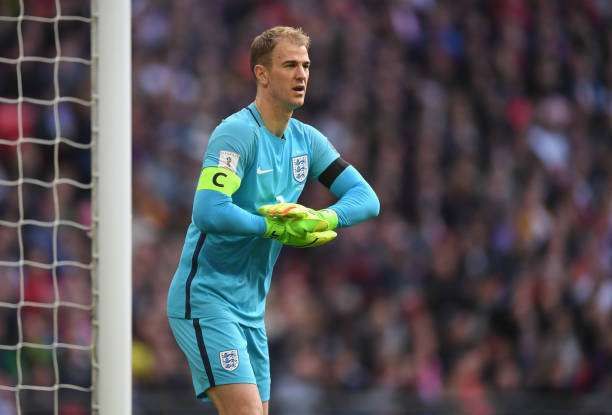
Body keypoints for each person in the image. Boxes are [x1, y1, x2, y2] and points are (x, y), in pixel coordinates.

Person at [166, 26, 380, 415]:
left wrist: (319, 217)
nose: (301, 75)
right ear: (261, 74)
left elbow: (367, 199)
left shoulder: (308, 142)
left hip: (252, 309)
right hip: (206, 298)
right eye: (289, 65)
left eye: (306, 66)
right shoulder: (235, 134)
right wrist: (272, 227)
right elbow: (209, 210)